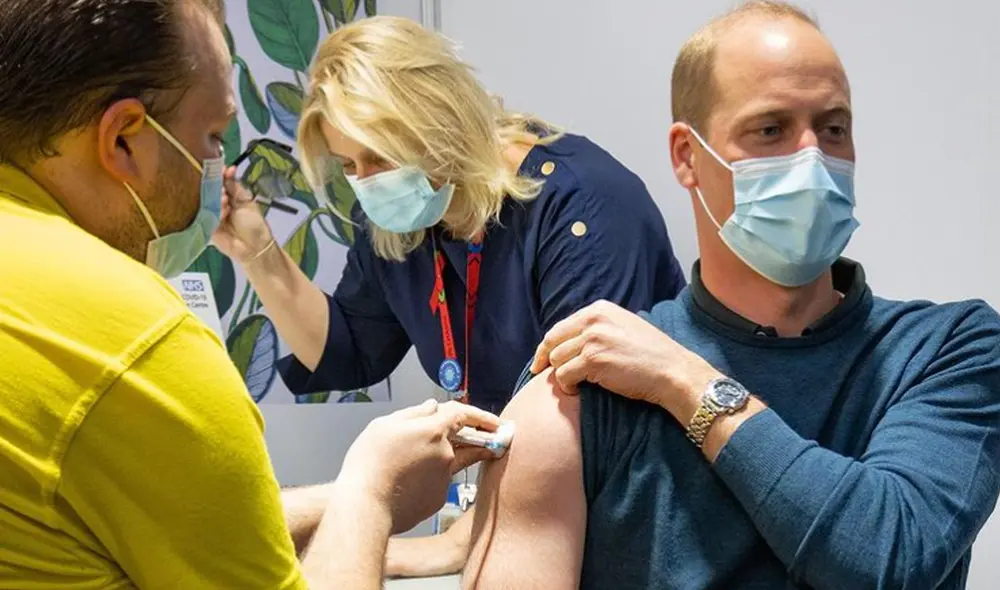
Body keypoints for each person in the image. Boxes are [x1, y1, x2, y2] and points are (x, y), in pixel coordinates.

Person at [463, 2, 1000, 589]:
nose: (812, 159)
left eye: (833, 128)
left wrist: (686, 381)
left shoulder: (947, 349)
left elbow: (891, 562)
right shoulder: (585, 387)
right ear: (687, 156)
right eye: (770, 129)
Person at [0, 1, 501, 588]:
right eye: (213, 138)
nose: (219, 167)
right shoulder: (137, 344)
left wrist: (359, 495)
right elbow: (349, 350)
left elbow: (193, 520)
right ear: (125, 140)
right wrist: (371, 490)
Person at [213, 16, 685, 577]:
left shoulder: (582, 206)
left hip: (631, 522)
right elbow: (351, 349)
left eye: (379, 157)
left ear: (439, 121)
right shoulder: (406, 219)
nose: (366, 182)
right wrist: (258, 252)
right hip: (522, 517)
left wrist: (451, 544)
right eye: (349, 166)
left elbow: (588, 424)